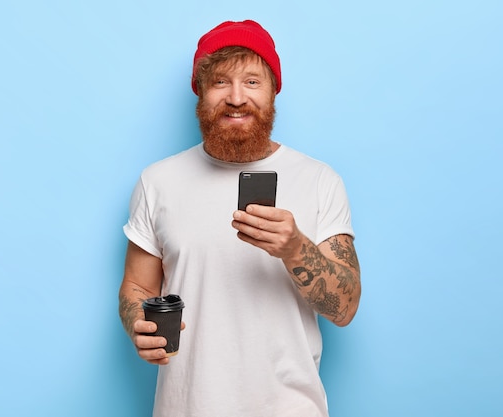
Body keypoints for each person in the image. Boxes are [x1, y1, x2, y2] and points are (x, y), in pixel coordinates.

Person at [119, 19, 361, 417]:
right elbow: (136, 287)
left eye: (252, 82)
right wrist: (138, 327)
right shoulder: (157, 181)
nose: (235, 98)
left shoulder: (319, 180)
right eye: (220, 82)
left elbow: (346, 307)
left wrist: (295, 247)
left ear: (272, 92)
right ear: (200, 92)